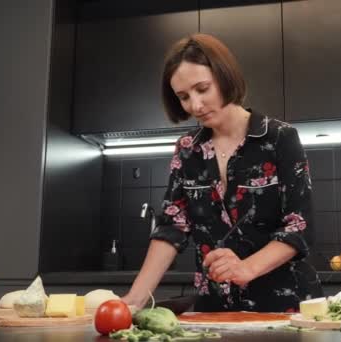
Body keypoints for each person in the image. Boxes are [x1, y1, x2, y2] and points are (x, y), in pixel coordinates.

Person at [122, 33, 323, 312]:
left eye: (202, 88)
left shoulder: (279, 138)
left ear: (225, 76)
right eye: (183, 97)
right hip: (214, 307)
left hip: (284, 305)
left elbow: (299, 226)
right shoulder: (187, 149)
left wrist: (246, 268)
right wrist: (133, 300)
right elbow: (172, 227)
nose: (195, 105)